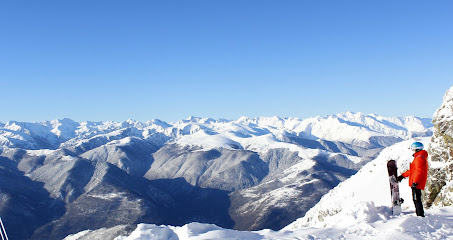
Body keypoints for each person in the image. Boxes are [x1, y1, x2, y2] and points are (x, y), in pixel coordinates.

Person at [397, 142, 429, 217]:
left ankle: (420, 215)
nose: (412, 151)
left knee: (417, 199)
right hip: (416, 182)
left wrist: (415, 182)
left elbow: (419, 171)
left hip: (417, 183)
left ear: (416, 149)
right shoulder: (419, 157)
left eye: (413, 149)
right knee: (416, 199)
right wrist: (402, 176)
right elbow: (413, 170)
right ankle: (419, 215)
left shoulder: (419, 158)